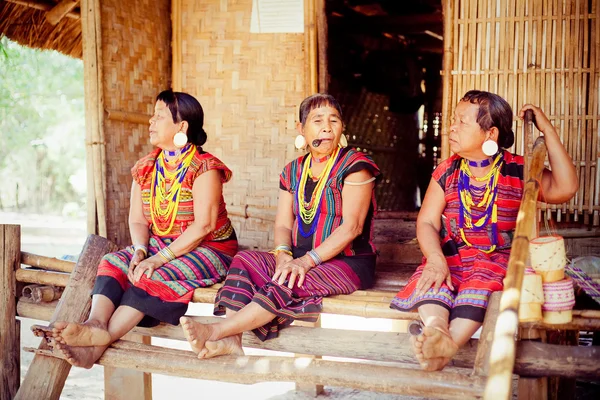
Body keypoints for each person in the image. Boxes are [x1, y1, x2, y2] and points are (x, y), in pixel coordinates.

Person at [35, 89, 238, 368]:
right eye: (152, 116)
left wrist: (158, 258)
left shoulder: (205, 167)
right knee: (114, 261)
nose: (151, 122)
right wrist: (142, 250)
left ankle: (100, 340)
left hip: (209, 247)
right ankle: (95, 322)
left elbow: (203, 226)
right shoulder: (145, 168)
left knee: (156, 274)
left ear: (182, 127)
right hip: (161, 244)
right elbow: (138, 221)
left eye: (159, 116)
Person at [179, 93, 381, 358]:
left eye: (334, 120)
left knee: (290, 279)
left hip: (349, 262)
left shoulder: (356, 166)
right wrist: (284, 254)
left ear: (342, 127)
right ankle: (233, 340)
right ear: (301, 129)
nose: (326, 127)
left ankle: (218, 332)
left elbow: (352, 228)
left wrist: (305, 262)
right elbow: (284, 224)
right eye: (317, 120)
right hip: (300, 258)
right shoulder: (293, 170)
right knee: (246, 260)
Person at [390, 90, 578, 371]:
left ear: (490, 134)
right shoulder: (447, 171)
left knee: (482, 284)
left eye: (462, 122)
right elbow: (427, 222)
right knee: (432, 281)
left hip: (498, 260)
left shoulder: (519, 170)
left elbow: (566, 187)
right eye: (454, 120)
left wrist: (547, 130)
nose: (452, 127)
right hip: (452, 256)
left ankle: (446, 345)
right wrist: (435, 258)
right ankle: (437, 329)